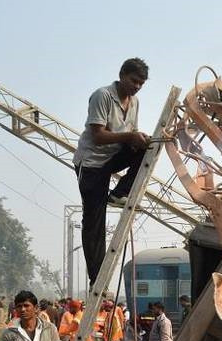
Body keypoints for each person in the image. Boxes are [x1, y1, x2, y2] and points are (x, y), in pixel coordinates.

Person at [73, 57, 150, 289]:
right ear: (122, 75)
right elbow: (98, 135)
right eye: (134, 80)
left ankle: (119, 193)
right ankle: (97, 277)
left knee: (149, 148)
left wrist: (138, 139)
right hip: (92, 164)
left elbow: (132, 132)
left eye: (141, 83)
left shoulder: (134, 102)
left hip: (112, 157)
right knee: (95, 221)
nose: (136, 86)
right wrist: (130, 137)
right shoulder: (103, 96)